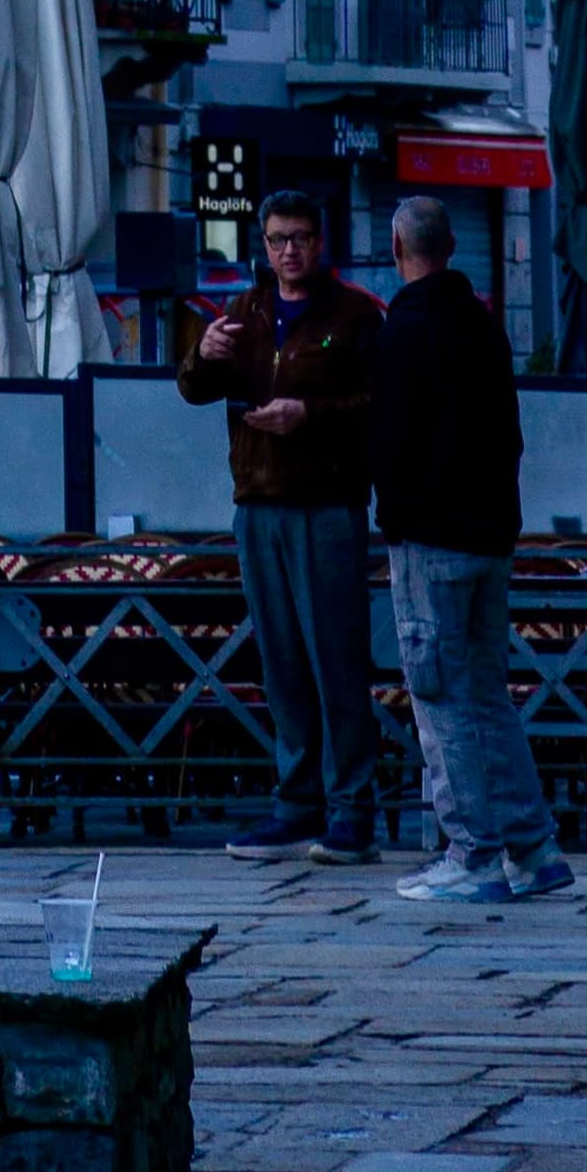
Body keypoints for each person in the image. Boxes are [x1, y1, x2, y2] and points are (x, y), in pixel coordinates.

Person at [373, 191, 574, 909]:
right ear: (451, 248)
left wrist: (393, 518)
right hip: (491, 536)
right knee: (488, 694)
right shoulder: (484, 328)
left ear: (399, 250)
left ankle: (472, 854)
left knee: (440, 699)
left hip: (430, 540)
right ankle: (534, 845)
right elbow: (509, 433)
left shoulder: (403, 331)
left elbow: (390, 443)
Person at [181, 180, 386, 860]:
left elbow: (379, 406)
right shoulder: (248, 308)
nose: (289, 250)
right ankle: (295, 803)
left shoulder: (355, 315)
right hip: (258, 503)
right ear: (263, 247)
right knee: (282, 664)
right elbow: (195, 390)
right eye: (277, 240)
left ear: (319, 242)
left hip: (328, 505)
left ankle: (351, 809)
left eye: (299, 238)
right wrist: (200, 356)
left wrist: (309, 416)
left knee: (337, 661)